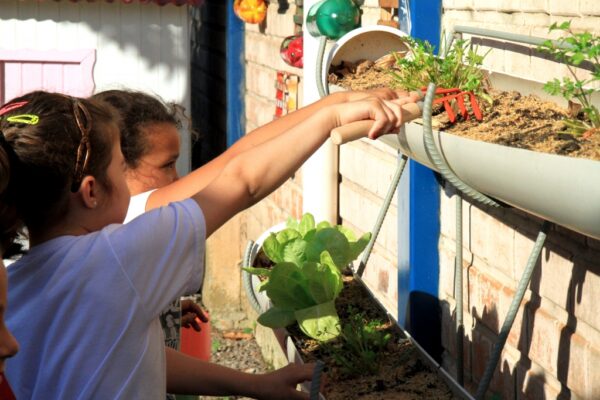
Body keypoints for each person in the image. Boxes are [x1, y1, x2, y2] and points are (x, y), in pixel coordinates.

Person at [0, 89, 414, 398]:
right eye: (122, 168)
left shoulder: (12, 288)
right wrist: (333, 115)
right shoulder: (117, 256)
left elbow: (135, 357)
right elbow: (241, 180)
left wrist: (255, 385)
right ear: (91, 192)